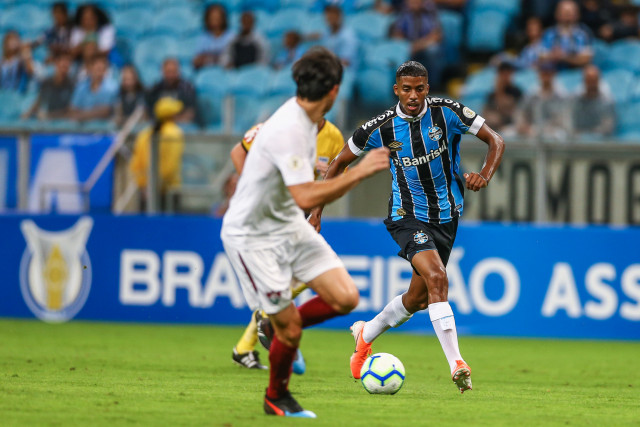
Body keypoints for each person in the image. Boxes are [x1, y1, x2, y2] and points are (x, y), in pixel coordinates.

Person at [309, 61, 505, 394]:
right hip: (407, 215)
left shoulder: (448, 112)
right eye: (406, 89)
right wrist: (317, 211)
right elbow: (340, 161)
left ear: (427, 89)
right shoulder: (380, 127)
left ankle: (365, 334)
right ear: (396, 90)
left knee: (418, 299)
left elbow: (496, 140)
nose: (413, 95)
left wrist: (484, 175)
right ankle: (457, 363)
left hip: (447, 216)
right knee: (438, 277)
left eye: (419, 88)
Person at [220, 47, 389, 417]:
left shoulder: (312, 123)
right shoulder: (288, 128)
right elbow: (304, 193)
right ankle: (275, 396)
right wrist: (358, 172)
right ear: (334, 91)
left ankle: (274, 324)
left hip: (286, 225)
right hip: (252, 236)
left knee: (346, 297)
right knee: (292, 331)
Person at [228, 117, 345, 372]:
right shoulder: (279, 124)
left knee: (301, 275)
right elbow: (238, 152)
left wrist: (317, 209)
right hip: (271, 213)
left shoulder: (334, 136)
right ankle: (266, 319)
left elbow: (334, 178)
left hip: (298, 215)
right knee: (313, 273)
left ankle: (250, 340)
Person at [129, 97, 185, 211]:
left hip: (146, 190)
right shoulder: (175, 133)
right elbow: (171, 165)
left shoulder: (144, 133)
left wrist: (144, 185)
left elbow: (135, 164)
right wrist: (159, 184)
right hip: (167, 191)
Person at [391, 0, 443, 89]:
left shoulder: (429, 13)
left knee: (433, 49)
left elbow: (436, 35)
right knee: (398, 49)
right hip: (409, 46)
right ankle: (401, 84)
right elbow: (397, 34)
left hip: (424, 45)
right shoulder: (403, 13)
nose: (413, 3)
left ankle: (434, 85)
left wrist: (417, 46)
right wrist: (405, 45)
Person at [517, 61, 570, 141]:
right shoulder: (532, 94)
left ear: (553, 74)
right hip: (534, 130)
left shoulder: (561, 95)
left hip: (554, 131)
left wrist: (548, 129)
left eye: (549, 74)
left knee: (560, 135)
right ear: (540, 75)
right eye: (544, 73)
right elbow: (521, 112)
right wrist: (524, 126)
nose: (546, 77)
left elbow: (564, 119)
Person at [539, 0, 593, 70]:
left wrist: (564, 57)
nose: (567, 14)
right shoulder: (549, 33)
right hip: (554, 75)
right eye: (564, 12)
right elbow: (541, 57)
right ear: (557, 14)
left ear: (577, 14)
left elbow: (586, 59)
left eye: (570, 12)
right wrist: (553, 56)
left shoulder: (584, 33)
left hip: (577, 74)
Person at [23, 53, 74, 120]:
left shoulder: (72, 85)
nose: (64, 69)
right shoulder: (47, 82)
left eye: (66, 66)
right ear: (56, 64)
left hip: (62, 121)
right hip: (49, 120)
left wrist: (48, 115)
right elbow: (39, 101)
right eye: (62, 65)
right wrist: (28, 114)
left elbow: (69, 110)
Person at [67, 55, 117, 122]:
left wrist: (81, 114)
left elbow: (105, 112)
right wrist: (95, 112)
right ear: (90, 69)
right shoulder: (81, 87)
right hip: (81, 130)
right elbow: (72, 110)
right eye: (98, 69)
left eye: (103, 69)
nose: (100, 73)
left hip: (105, 129)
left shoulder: (112, 87)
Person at [147, 58, 197, 124]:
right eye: (168, 72)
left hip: (181, 126)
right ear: (162, 71)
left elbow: (190, 112)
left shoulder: (187, 88)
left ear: (179, 72)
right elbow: (149, 111)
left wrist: (174, 119)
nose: (171, 76)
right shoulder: (155, 89)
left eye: (173, 72)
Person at [572, 64, 615, 139]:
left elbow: (608, 128)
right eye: (589, 80)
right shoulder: (576, 102)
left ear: (599, 81)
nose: (591, 84)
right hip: (579, 143)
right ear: (584, 81)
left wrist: (591, 135)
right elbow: (571, 124)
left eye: (594, 80)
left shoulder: (607, 103)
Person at [482, 60, 522, 137]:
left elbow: (509, 110)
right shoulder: (492, 94)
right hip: (496, 128)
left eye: (508, 73)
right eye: (503, 74)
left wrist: (500, 91)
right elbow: (486, 113)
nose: (505, 77)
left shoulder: (516, 92)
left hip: (513, 126)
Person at [192, 4, 234, 70]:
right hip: (207, 73)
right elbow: (196, 61)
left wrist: (209, 58)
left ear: (223, 18)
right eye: (212, 17)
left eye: (217, 16)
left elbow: (232, 60)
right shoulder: (203, 38)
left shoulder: (231, 36)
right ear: (207, 19)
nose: (215, 19)